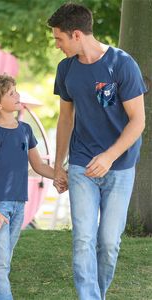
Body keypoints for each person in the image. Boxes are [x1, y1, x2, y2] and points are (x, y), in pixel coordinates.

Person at [47, 3, 147, 300]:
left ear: (76, 34)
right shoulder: (66, 69)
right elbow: (66, 119)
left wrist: (109, 156)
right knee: (83, 239)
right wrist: (58, 166)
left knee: (109, 243)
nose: (57, 45)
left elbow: (138, 121)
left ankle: (96, 295)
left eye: (59, 39)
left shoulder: (122, 63)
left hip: (119, 165)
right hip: (81, 165)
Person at [0, 73, 64, 300]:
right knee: (1, 262)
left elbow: (38, 165)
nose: (18, 95)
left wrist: (61, 176)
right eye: (11, 93)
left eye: (16, 90)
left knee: (1, 260)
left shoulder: (25, 130)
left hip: (19, 204)